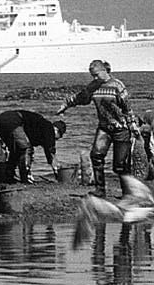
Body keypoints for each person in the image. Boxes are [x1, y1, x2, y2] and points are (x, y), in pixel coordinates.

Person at [55, 59, 140, 197]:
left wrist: (133, 125)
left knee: (119, 165)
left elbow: (127, 108)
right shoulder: (93, 86)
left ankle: (128, 192)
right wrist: (65, 105)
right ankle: (100, 190)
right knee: (96, 156)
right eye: (92, 76)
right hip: (104, 128)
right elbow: (81, 97)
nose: (95, 78)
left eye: (96, 75)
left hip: (121, 128)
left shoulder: (117, 86)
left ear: (104, 71)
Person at [0, 110, 65, 184]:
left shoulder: (41, 126)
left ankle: (9, 176)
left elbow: (48, 151)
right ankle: (25, 177)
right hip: (13, 121)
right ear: (56, 130)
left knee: (16, 150)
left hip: (0, 121)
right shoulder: (49, 129)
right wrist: (57, 172)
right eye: (60, 136)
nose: (57, 139)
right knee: (26, 149)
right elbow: (50, 152)